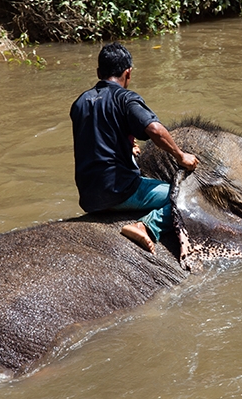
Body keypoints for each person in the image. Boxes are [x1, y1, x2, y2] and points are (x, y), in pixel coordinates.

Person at [70, 42, 198, 254]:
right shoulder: (125, 98)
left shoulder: (80, 102)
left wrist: (126, 143)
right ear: (128, 73)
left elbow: (97, 137)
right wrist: (180, 155)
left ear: (98, 72)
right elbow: (155, 130)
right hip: (119, 190)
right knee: (185, 195)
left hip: (88, 196)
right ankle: (147, 225)